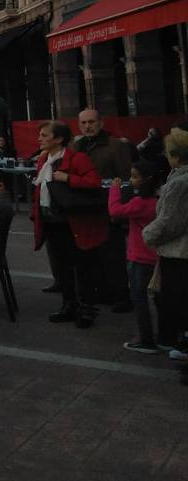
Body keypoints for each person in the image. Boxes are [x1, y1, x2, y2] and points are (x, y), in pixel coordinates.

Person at [31, 121, 106, 329]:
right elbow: (41, 190)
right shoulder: (44, 159)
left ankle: (87, 309)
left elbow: (94, 182)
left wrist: (68, 178)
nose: (39, 139)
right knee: (62, 267)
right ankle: (69, 305)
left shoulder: (77, 158)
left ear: (59, 139)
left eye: (44, 135)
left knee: (82, 267)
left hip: (73, 223)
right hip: (52, 221)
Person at [142, 128, 188, 382]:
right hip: (180, 252)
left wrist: (148, 234)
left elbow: (170, 221)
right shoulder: (178, 177)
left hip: (179, 254)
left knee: (178, 305)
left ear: (176, 156)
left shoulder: (180, 182)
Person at [76, 108, 133, 311]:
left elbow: (126, 179)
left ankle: (122, 298)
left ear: (101, 122)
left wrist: (120, 210)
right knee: (94, 255)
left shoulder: (115, 146)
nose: (87, 126)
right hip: (86, 209)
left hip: (109, 209)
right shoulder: (78, 145)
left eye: (91, 122)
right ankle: (104, 293)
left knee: (113, 256)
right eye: (83, 123)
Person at [109, 159, 163, 354]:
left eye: (134, 177)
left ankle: (146, 339)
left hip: (139, 257)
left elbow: (115, 211)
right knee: (158, 298)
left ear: (146, 179)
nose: (131, 180)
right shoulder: (158, 200)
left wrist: (114, 190)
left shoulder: (140, 203)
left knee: (139, 298)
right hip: (155, 256)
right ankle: (164, 335)